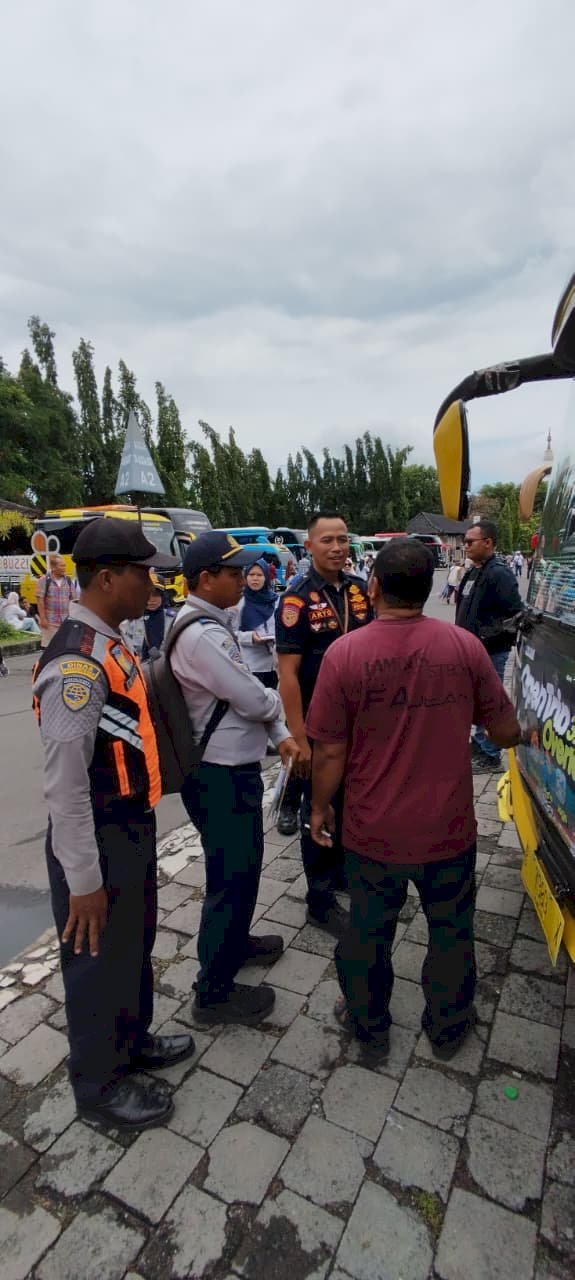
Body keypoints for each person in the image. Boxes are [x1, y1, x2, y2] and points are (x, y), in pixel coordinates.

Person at [306, 539, 522, 1057]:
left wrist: (319, 808)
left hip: (372, 831)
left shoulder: (345, 654)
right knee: (451, 932)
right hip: (448, 830)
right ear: (428, 590)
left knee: (368, 931)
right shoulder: (465, 648)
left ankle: (369, 1025)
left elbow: (330, 754)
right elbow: (506, 730)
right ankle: (448, 1028)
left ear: (374, 586)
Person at [32, 518, 194, 1131]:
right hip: (95, 837)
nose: (153, 582)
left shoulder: (110, 639)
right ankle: (98, 1084)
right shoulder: (76, 665)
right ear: (107, 578)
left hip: (128, 825)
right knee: (97, 959)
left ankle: (132, 1043)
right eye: (143, 572)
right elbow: (65, 786)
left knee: (132, 945)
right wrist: (82, 880)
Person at [170, 532, 300, 1026]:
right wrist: (277, 711)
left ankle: (233, 944)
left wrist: (275, 726)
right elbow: (250, 696)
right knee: (231, 878)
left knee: (240, 872)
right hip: (220, 777)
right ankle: (214, 992)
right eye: (233, 572)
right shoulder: (202, 634)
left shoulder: (210, 623)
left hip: (229, 771)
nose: (245, 578)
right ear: (206, 579)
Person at [276, 510, 371, 935]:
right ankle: (319, 899)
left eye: (343, 539)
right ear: (309, 546)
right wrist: (299, 738)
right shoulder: (296, 599)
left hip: (362, 725)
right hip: (318, 727)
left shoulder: (361, 591)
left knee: (351, 804)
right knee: (318, 805)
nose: (337, 547)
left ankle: (343, 874)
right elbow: (288, 676)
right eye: (327, 540)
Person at [456, 519, 523, 773]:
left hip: (491, 650)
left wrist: (485, 637)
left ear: (488, 543)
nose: (466, 546)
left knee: (489, 699)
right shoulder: (475, 570)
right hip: (472, 650)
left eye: (470, 542)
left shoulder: (499, 573)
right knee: (475, 699)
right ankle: (480, 743)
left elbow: (515, 614)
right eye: (465, 542)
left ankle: (490, 754)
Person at [233, 560, 278, 688]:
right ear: (245, 577)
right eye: (251, 575)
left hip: (274, 665)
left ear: (266, 577)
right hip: (251, 665)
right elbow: (229, 633)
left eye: (259, 575)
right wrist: (250, 637)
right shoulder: (239, 602)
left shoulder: (276, 600)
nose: (255, 579)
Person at [35, 554, 78, 648]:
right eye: (61, 565)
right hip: (50, 622)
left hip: (66, 622)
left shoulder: (68, 580)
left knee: (65, 649)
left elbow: (73, 599)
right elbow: (40, 600)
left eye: (64, 565)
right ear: (53, 567)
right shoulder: (44, 580)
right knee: (50, 649)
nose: (64, 568)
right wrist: (43, 618)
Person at [123, 584, 175, 658]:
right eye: (147, 595)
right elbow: (127, 650)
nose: (152, 599)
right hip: (140, 666)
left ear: (163, 596)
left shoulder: (172, 620)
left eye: (156, 595)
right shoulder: (132, 620)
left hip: (165, 666)